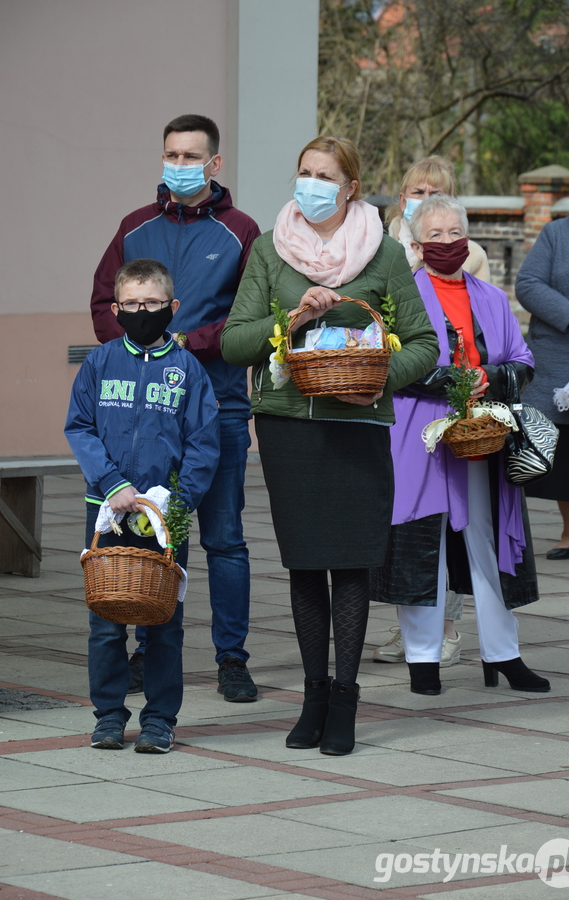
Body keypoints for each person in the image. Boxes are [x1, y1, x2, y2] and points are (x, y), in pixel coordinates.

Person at [221, 136, 439, 755]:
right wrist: (285, 324)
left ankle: (345, 696)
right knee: (303, 563)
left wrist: (374, 380)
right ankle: (313, 696)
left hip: (358, 428)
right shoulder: (269, 248)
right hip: (289, 425)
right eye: (303, 172)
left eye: (324, 175)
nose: (310, 183)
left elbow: (423, 343)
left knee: (349, 562)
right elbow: (235, 343)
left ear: (349, 187)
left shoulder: (385, 251)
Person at [90, 114, 261, 702]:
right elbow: (102, 303)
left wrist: (191, 344)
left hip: (223, 409)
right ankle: (149, 650)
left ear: (215, 164)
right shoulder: (134, 228)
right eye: (171, 155)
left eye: (191, 157)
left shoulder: (241, 231)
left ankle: (232, 659)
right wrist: (142, 350)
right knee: (156, 537)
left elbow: (250, 320)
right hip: (148, 413)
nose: (179, 166)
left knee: (225, 540)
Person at [371, 195, 550, 696]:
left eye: (455, 232)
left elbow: (523, 361)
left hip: (483, 434)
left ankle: (505, 654)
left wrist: (487, 376)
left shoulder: (492, 298)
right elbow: (393, 362)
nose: (447, 242)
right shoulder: (402, 294)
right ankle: (423, 660)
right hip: (418, 436)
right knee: (422, 544)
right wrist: (448, 380)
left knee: (488, 543)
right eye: (436, 234)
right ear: (417, 242)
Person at [65, 259, 220, 752]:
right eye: (131, 304)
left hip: (163, 518)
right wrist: (111, 484)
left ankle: (159, 720)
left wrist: (179, 502)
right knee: (106, 623)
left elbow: (203, 442)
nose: (141, 312)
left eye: (151, 304)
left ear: (171, 307)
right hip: (108, 513)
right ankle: (109, 715)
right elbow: (80, 427)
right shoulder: (100, 362)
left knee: (164, 624)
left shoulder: (187, 369)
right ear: (117, 309)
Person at [374, 155, 490, 667]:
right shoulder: (379, 248)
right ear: (402, 197)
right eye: (415, 189)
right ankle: (410, 624)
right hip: (401, 408)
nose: (422, 196)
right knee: (405, 522)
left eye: (434, 190)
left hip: (449, 404)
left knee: (451, 522)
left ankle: (448, 627)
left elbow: (475, 326)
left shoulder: (470, 256)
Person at [515, 167, 569, 560]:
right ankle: (568, 534)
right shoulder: (555, 235)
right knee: (566, 453)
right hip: (560, 361)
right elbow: (528, 284)